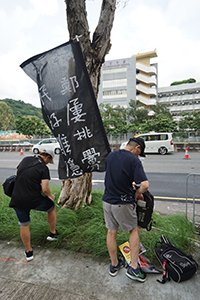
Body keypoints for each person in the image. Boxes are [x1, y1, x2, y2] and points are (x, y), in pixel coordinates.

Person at [102, 137, 149, 282]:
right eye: (138, 153)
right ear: (137, 148)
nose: (137, 156)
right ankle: (134, 268)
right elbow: (145, 185)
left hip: (107, 201)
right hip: (122, 203)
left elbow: (117, 176)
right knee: (133, 231)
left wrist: (130, 185)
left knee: (111, 232)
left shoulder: (111, 155)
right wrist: (137, 192)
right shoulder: (133, 160)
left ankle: (114, 265)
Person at [9, 149, 58, 262]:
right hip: (34, 200)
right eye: (49, 161)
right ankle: (52, 234)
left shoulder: (25, 159)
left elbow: (17, 175)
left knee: (24, 224)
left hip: (17, 198)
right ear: (48, 157)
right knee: (51, 207)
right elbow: (45, 189)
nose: (48, 163)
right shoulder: (43, 168)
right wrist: (51, 196)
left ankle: (28, 252)